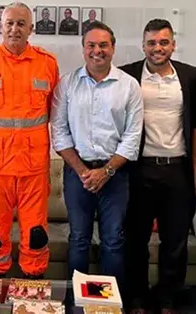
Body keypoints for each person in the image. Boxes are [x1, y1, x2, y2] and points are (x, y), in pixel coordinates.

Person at [50, 21, 143, 285]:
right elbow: (59, 132)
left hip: (116, 175)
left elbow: (132, 136)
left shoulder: (129, 85)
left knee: (113, 240)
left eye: (103, 45)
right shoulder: (67, 84)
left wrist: (106, 171)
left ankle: (110, 302)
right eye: (91, 45)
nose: (97, 50)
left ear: (113, 48)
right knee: (79, 238)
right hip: (77, 174)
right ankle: (76, 300)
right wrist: (83, 171)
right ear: (83, 49)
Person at [0, 1, 59, 278]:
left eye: (21, 23)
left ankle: (34, 285)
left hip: (34, 168)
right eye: (9, 23)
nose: (14, 29)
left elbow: (56, 114)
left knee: (36, 234)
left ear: (31, 29)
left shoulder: (47, 63)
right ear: (0, 27)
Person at [119, 19, 196, 314]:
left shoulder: (191, 76)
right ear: (143, 46)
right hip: (139, 168)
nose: (158, 48)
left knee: (175, 240)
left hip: (178, 170)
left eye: (164, 42)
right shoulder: (127, 74)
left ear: (173, 45)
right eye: (152, 43)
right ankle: (137, 297)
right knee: (135, 239)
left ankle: (167, 298)